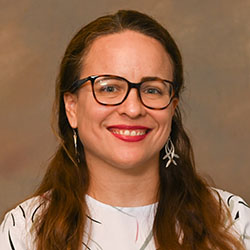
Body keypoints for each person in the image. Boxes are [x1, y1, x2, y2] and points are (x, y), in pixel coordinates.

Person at [0, 9, 249, 250]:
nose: (133, 109)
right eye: (109, 88)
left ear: (172, 108)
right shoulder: (26, 229)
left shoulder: (233, 221)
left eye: (152, 89)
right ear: (72, 107)